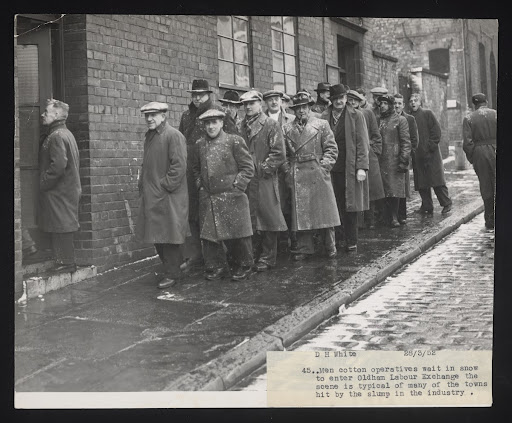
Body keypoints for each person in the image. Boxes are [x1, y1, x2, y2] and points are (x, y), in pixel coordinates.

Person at [179, 79, 238, 271]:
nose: (197, 98)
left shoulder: (220, 113)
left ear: (208, 95)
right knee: (194, 214)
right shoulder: (186, 116)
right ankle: (199, 254)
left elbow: (233, 142)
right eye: (194, 94)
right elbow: (182, 143)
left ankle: (228, 255)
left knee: (220, 213)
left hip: (216, 172)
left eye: (201, 94)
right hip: (192, 171)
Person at [191, 109, 255, 281]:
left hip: (231, 195)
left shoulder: (234, 141)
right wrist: (200, 186)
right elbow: (196, 168)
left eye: (214, 122)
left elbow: (248, 168)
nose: (211, 126)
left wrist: (237, 187)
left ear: (221, 123)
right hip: (209, 196)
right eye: (207, 123)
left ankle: (244, 265)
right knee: (210, 235)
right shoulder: (200, 144)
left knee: (238, 234)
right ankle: (216, 266)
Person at [281, 91, 340, 261]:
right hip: (297, 173)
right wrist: (288, 171)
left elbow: (331, 148)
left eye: (304, 107)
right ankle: (305, 248)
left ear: (310, 107)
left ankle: (330, 246)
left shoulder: (322, 125)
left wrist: (324, 168)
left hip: (318, 173)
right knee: (302, 214)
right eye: (298, 108)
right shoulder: (286, 128)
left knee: (325, 213)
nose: (301, 111)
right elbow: (283, 154)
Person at [136, 102, 189, 289]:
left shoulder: (173, 135)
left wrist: (164, 186)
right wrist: (142, 183)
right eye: (147, 115)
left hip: (168, 197)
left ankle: (173, 274)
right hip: (154, 195)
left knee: (169, 236)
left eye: (153, 115)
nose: (149, 119)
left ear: (163, 116)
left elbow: (179, 166)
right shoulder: (150, 136)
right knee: (158, 235)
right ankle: (174, 267)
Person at [239, 90, 288, 271]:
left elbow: (279, 153)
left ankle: (268, 257)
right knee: (249, 218)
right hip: (246, 180)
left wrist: (263, 168)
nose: (248, 107)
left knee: (269, 217)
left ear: (260, 103)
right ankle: (251, 255)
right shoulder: (240, 126)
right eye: (245, 104)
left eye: (252, 103)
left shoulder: (270, 125)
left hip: (265, 178)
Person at [320, 84, 369, 252]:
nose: (339, 101)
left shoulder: (356, 116)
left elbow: (363, 143)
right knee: (333, 204)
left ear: (346, 98)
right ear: (331, 100)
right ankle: (337, 239)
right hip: (329, 168)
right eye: (335, 99)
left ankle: (351, 240)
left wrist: (361, 167)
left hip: (349, 167)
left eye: (341, 98)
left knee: (350, 205)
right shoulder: (323, 117)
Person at [38, 99, 81, 273]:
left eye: (46, 112)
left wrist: (44, 182)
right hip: (67, 189)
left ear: (56, 115)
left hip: (60, 191)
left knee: (62, 224)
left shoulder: (56, 136)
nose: (43, 114)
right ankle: (64, 262)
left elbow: (58, 166)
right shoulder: (65, 133)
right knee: (63, 223)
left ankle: (67, 263)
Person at [263, 89, 296, 252]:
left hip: (287, 168)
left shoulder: (291, 119)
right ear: (266, 103)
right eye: (270, 100)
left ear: (281, 101)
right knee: (274, 205)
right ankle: (279, 242)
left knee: (289, 204)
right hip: (269, 169)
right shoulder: (262, 120)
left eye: (277, 99)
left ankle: (291, 239)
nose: (274, 102)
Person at [409, 93, 453, 215]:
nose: (413, 103)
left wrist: (430, 147)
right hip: (417, 155)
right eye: (411, 101)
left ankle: (446, 203)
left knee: (436, 180)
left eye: (415, 100)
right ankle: (427, 206)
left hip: (431, 154)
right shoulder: (410, 117)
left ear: (420, 102)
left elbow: (436, 131)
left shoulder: (427, 114)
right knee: (422, 182)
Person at [347, 89, 385, 229]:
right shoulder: (346, 115)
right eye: (350, 100)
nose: (352, 103)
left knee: (370, 190)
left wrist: (374, 151)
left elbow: (376, 134)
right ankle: (358, 223)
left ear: (360, 101)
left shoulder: (367, 113)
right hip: (351, 156)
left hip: (368, 155)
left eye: (355, 100)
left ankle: (371, 221)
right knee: (355, 190)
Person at [463, 93, 497, 230]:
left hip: (479, 153)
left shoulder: (469, 118)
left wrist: (473, 158)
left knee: (486, 186)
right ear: (486, 102)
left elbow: (467, 142)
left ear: (474, 104)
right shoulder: (495, 114)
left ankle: (490, 220)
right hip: (496, 149)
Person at [377, 95, 412, 227]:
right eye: (381, 104)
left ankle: (394, 216)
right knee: (383, 190)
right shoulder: (378, 120)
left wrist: (403, 160)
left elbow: (406, 142)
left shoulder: (400, 120)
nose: (382, 106)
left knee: (394, 189)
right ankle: (384, 217)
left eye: (385, 103)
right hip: (381, 159)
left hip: (394, 159)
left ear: (391, 105)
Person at [394, 93, 419, 224]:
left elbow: (414, 140)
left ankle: (402, 215)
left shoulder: (409, 119)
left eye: (399, 103)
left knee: (403, 187)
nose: (397, 106)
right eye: (395, 103)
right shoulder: (388, 118)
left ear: (403, 105)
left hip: (403, 157)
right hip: (391, 158)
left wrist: (408, 155)